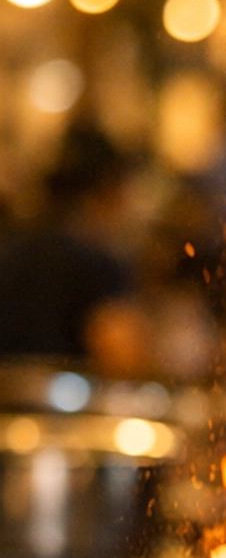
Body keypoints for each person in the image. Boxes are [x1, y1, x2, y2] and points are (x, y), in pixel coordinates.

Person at [0, 125, 148, 373]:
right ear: (108, 188)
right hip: (64, 406)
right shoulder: (99, 264)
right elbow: (122, 357)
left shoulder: (10, 249)